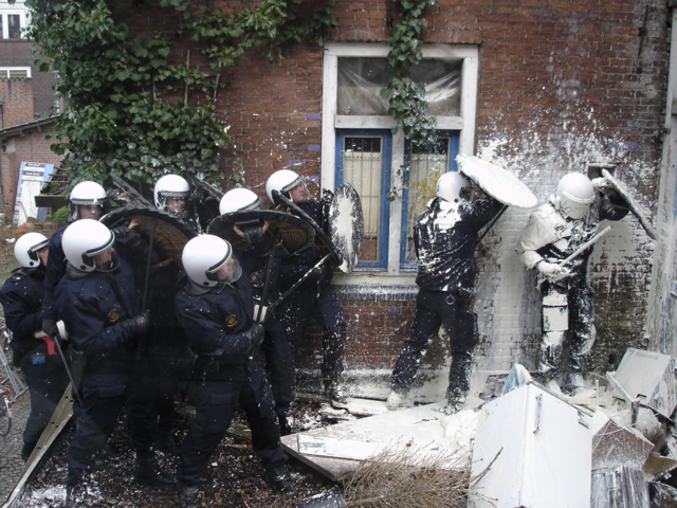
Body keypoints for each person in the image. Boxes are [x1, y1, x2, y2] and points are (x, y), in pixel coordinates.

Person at [55, 220, 171, 506]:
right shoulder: (74, 293)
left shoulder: (113, 264)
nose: (111, 253)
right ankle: (77, 488)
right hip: (103, 368)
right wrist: (133, 326)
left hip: (134, 358)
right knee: (94, 429)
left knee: (143, 414)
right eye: (104, 251)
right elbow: (91, 342)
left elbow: (147, 264)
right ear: (85, 259)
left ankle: (145, 467)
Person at [174, 235, 291, 508]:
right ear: (208, 275)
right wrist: (254, 332)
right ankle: (188, 481)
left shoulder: (226, 269)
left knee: (264, 415)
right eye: (226, 265)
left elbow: (251, 261)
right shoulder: (190, 304)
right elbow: (222, 347)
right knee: (209, 428)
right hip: (217, 373)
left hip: (247, 365)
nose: (232, 266)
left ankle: (274, 464)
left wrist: (266, 243)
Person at [386, 171, 504, 414]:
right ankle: (456, 400)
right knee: (463, 347)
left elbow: (423, 255)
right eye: (466, 192)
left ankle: (398, 393)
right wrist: (481, 179)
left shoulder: (422, 220)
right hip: (455, 297)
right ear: (460, 193)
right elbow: (496, 203)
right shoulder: (463, 215)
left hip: (427, 294)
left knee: (415, 344)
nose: (469, 196)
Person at [516, 172, 629, 394]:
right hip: (555, 281)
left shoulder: (594, 206)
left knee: (587, 329)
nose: (580, 213)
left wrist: (611, 190)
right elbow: (523, 248)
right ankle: (549, 378)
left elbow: (620, 211)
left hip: (579, 280)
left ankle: (576, 375)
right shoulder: (544, 218)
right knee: (555, 334)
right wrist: (544, 266)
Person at [266, 169, 348, 405]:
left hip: (321, 286)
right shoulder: (274, 222)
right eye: (296, 187)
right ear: (284, 195)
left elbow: (338, 236)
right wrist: (303, 272)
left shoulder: (317, 210)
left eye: (301, 184)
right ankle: (283, 388)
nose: (303, 188)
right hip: (295, 289)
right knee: (286, 341)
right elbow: (273, 266)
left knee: (336, 328)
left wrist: (337, 211)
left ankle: (332, 382)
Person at [219, 188, 295, 435]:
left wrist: (267, 248)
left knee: (281, 360)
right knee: (241, 363)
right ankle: (233, 411)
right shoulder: (226, 251)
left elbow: (289, 262)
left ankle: (283, 411)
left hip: (271, 310)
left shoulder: (275, 235)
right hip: (241, 316)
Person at [0, 232, 69, 461]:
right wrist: (48, 315)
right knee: (43, 408)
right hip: (35, 354)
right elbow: (17, 325)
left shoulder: (54, 276)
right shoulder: (15, 287)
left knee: (66, 400)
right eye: (44, 251)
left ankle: (58, 447)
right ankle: (30, 450)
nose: (49, 254)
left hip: (59, 349)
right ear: (31, 257)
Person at [41, 181, 108, 339]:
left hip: (105, 297)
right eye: (87, 207)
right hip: (76, 300)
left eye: (98, 207)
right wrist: (49, 314)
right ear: (76, 208)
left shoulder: (110, 234)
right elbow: (52, 279)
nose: (93, 212)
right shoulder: (62, 239)